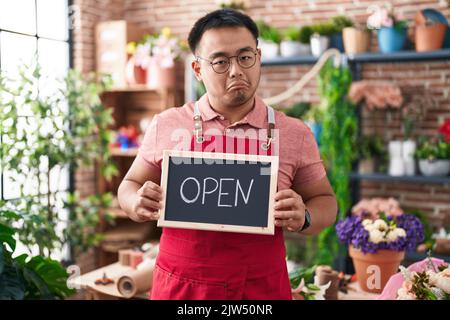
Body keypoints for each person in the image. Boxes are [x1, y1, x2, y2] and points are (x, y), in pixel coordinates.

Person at [118, 9, 337, 300]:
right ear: (198, 69)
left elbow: (326, 202)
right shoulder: (167, 124)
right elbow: (128, 186)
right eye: (220, 62)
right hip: (182, 287)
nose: (236, 70)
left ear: (258, 57)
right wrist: (136, 202)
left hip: (260, 289)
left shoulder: (295, 133)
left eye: (245, 57)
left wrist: (305, 217)